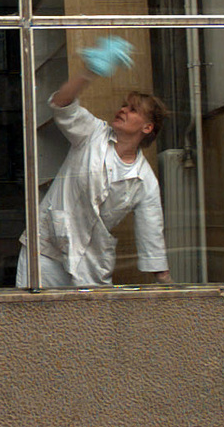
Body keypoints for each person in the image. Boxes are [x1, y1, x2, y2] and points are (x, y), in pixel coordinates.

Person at [15, 37, 172, 288]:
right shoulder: (92, 133)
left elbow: (151, 229)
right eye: (123, 105)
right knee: (35, 320)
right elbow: (61, 105)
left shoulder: (145, 181)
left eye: (132, 110)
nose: (122, 110)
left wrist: (168, 285)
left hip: (91, 260)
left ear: (147, 127)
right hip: (47, 249)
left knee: (90, 325)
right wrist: (89, 71)